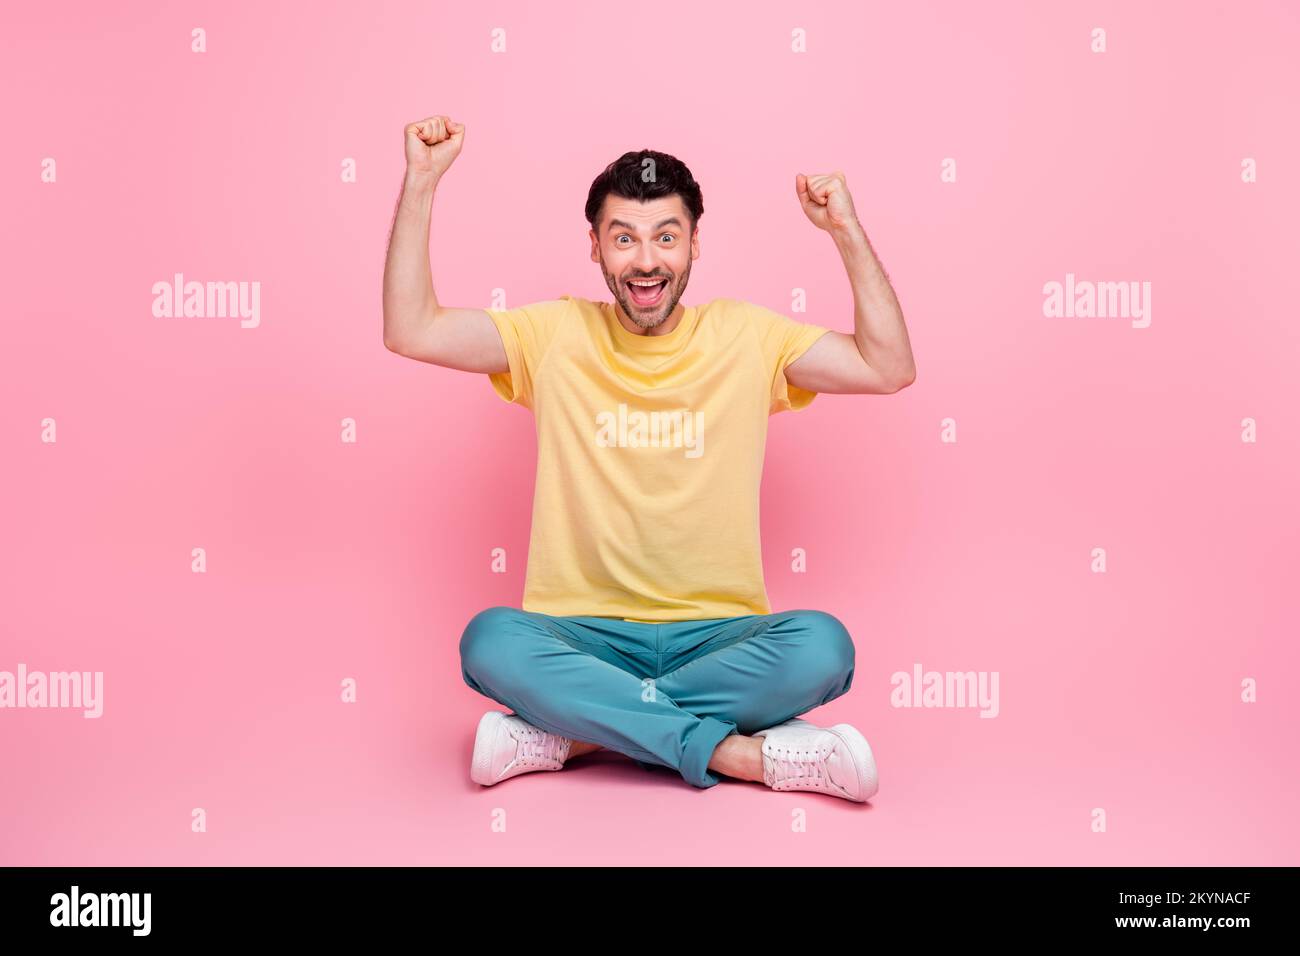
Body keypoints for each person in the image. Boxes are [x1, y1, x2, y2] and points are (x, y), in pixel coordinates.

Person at [382, 115, 916, 802]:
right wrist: (421, 181)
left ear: (694, 242)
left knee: (822, 649)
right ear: (596, 247)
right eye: (624, 238)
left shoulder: (749, 337)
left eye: (666, 236)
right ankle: (746, 757)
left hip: (720, 638)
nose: (645, 260)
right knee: (490, 643)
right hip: (578, 637)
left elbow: (889, 366)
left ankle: (572, 734)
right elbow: (411, 328)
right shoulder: (552, 334)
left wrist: (845, 230)